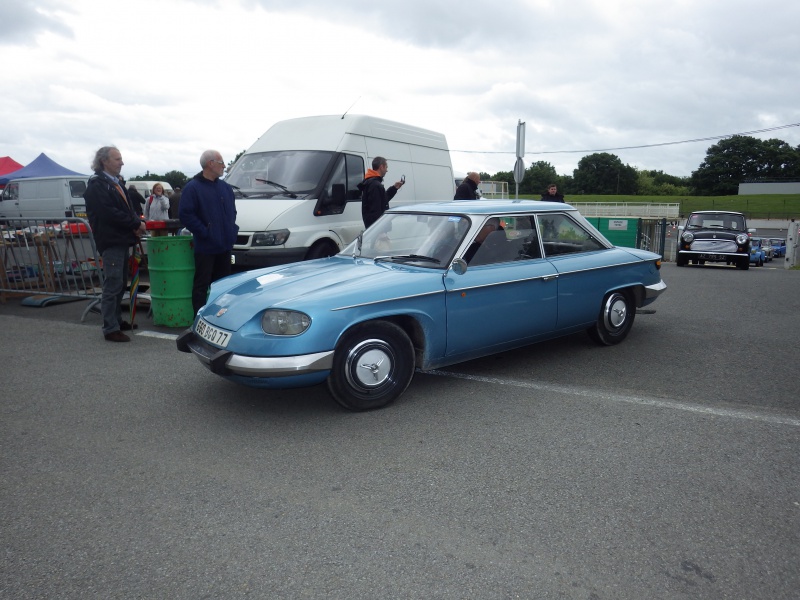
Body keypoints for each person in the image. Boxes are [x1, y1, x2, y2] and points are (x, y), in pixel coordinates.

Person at [84, 146, 146, 342]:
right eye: (117, 159)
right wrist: (135, 223)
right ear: (104, 161)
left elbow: (127, 209)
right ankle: (110, 327)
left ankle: (117, 321)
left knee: (119, 284)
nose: (122, 162)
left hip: (121, 238)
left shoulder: (116, 183)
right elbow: (108, 212)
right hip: (110, 240)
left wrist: (135, 224)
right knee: (113, 284)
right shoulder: (97, 185)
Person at [179, 150, 238, 314]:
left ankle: (220, 317)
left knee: (224, 286)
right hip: (206, 247)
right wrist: (204, 232)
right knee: (201, 284)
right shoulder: (193, 188)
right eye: (221, 162)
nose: (224, 166)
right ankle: (199, 319)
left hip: (224, 245)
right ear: (210, 163)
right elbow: (185, 214)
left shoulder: (225, 187)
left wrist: (232, 230)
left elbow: (232, 212)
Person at [358, 156, 405, 228]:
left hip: (373, 227)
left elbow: (382, 200)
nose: (387, 170)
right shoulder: (375, 185)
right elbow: (375, 210)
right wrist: (380, 231)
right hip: (377, 228)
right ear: (381, 167)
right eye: (386, 167)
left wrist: (394, 188)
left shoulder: (370, 182)